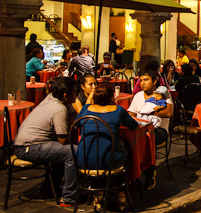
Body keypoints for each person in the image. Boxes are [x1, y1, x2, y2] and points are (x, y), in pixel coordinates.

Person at [14, 77, 78, 207]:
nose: (76, 96)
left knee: (62, 153)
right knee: (72, 152)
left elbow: (72, 114)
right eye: (74, 93)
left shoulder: (50, 98)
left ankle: (48, 189)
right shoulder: (59, 109)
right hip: (29, 147)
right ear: (65, 95)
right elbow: (62, 139)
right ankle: (69, 197)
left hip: (24, 143)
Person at [75, 82, 137, 211]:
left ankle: (98, 193)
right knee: (126, 151)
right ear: (111, 97)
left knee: (102, 155)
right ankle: (121, 191)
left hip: (83, 159)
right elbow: (133, 125)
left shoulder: (86, 109)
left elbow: (77, 125)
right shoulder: (118, 110)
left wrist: (89, 99)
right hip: (108, 160)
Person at [127, 69, 173, 190]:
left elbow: (169, 112)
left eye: (146, 80)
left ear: (154, 82)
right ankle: (130, 174)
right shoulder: (137, 96)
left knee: (146, 138)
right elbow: (130, 113)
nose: (142, 83)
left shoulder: (164, 94)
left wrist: (151, 112)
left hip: (159, 130)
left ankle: (149, 174)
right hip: (139, 128)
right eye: (141, 80)